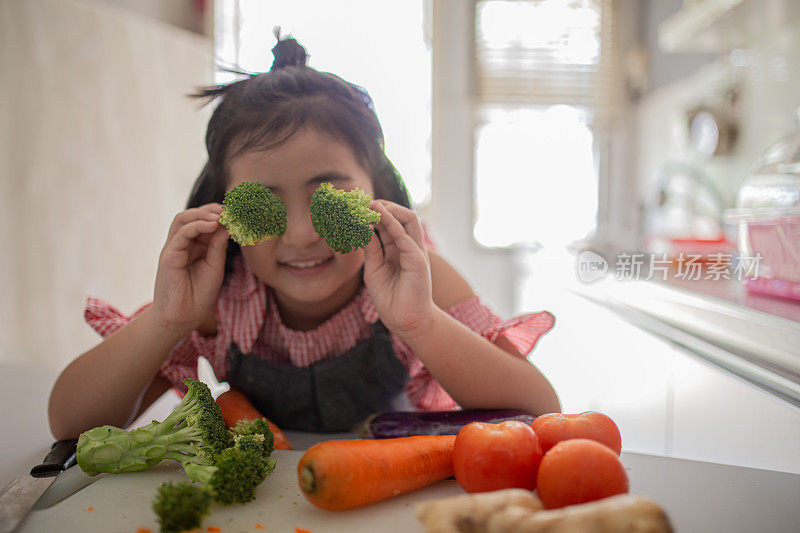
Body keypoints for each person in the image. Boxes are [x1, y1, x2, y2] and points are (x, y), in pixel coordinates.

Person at [48, 36, 560, 439]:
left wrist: (419, 322)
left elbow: (540, 412)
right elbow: (69, 423)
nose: (300, 234)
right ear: (222, 212)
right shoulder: (220, 300)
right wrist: (167, 320)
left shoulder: (419, 277)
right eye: (259, 207)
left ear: (379, 193)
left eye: (331, 201)